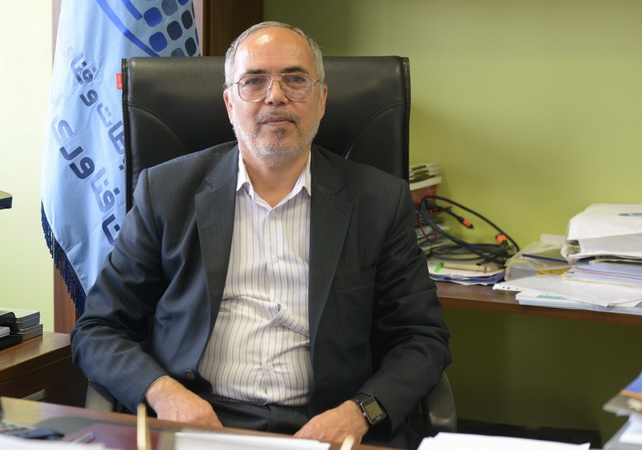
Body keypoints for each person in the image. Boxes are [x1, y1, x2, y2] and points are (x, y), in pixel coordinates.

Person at [71, 21, 451, 449]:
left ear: (322, 100)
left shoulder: (379, 200)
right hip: (203, 422)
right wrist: (165, 395)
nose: (275, 96)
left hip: (330, 426)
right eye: (253, 81)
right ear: (229, 103)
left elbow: (421, 338)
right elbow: (99, 329)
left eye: (295, 79)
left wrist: (360, 412)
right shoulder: (165, 191)